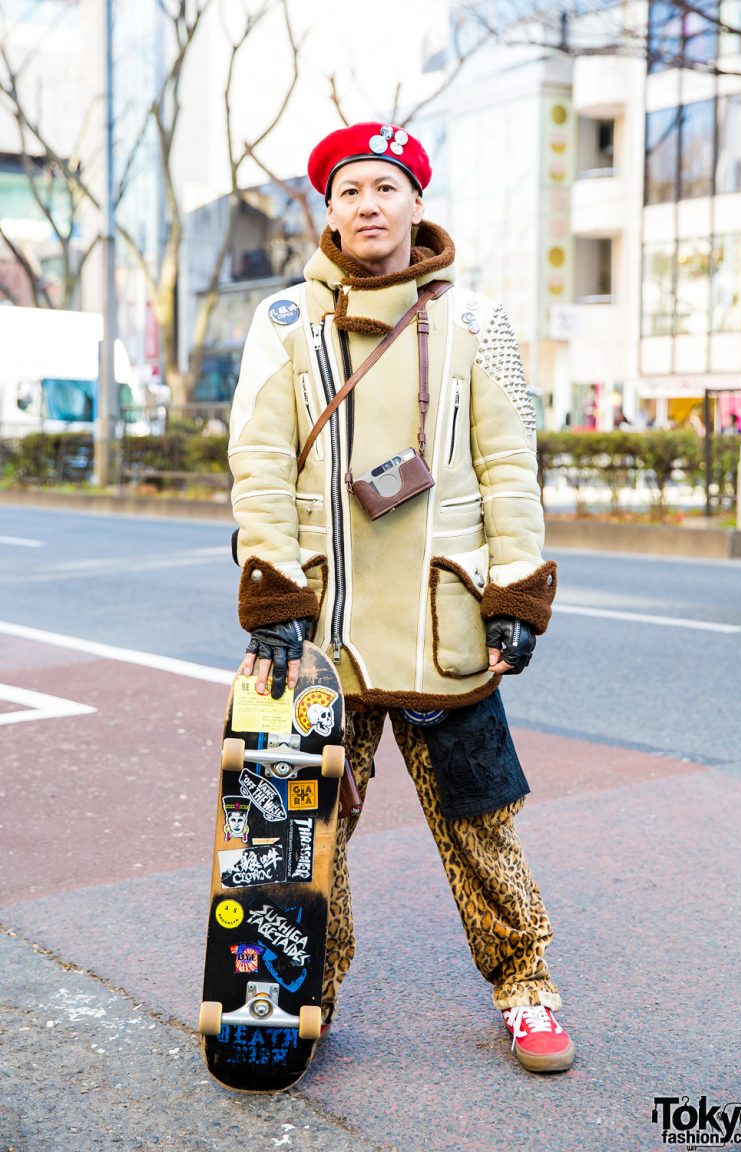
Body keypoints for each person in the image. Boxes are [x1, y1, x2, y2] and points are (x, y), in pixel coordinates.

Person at [227, 121, 574, 1073]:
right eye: (350, 192)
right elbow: (256, 465)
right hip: (323, 628)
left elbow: (510, 464)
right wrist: (274, 591)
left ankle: (527, 987)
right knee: (309, 830)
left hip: (444, 619)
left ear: (417, 202)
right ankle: (303, 996)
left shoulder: (477, 321)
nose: (368, 205)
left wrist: (515, 589)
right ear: (327, 210)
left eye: (386, 187)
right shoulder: (284, 322)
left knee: (480, 819)